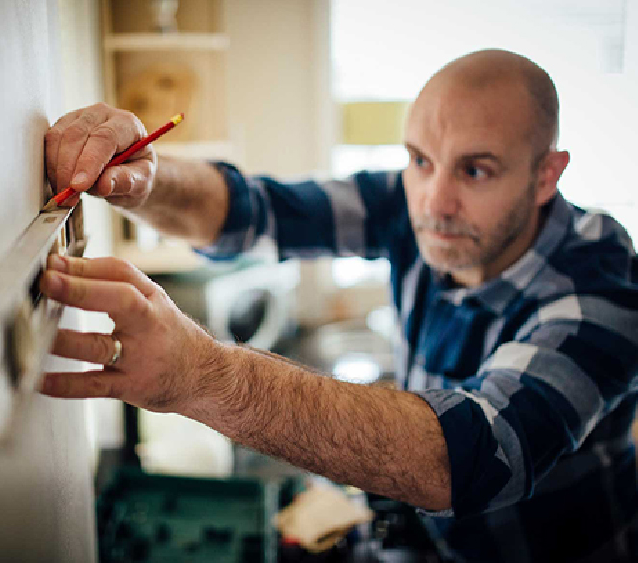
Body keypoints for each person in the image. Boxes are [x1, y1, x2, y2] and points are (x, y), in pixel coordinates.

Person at [41, 49, 638, 562]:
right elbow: (253, 210)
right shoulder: (423, 201)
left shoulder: (601, 288)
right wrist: (145, 177)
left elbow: (475, 454)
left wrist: (204, 375)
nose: (435, 201)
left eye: (476, 170)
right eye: (419, 159)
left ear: (545, 177)